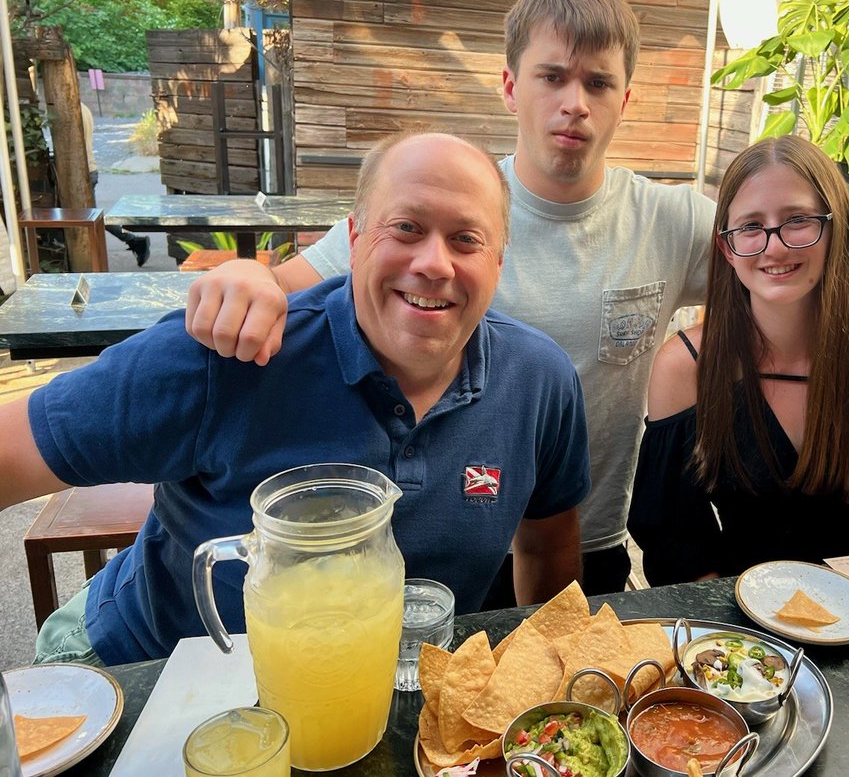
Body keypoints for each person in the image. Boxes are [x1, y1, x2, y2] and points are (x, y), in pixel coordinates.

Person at [183, 0, 849, 601]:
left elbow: (784, 254)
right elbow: (287, 286)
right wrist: (247, 273)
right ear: (511, 85)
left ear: (626, 97)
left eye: (598, 81)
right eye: (553, 76)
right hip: (440, 543)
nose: (573, 102)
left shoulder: (668, 218)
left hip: (586, 544)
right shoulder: (449, 212)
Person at [0, 132, 589, 666]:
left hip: (378, 689)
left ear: (498, 262)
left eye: (466, 239)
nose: (434, 263)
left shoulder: (539, 380)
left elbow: (547, 546)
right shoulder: (229, 353)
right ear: (354, 240)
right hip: (144, 671)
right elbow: (12, 451)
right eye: (406, 228)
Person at [627, 136, 849, 585]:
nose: (775, 247)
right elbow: (674, 539)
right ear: (727, 248)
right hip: (741, 629)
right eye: (750, 226)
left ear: (835, 228)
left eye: (798, 220)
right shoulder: (687, 366)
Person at [81, 103, 150, 266]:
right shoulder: (84, 108)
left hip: (83, 171)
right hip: (89, 168)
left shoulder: (74, 111)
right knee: (92, 216)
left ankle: (133, 240)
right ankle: (133, 241)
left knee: (91, 217)